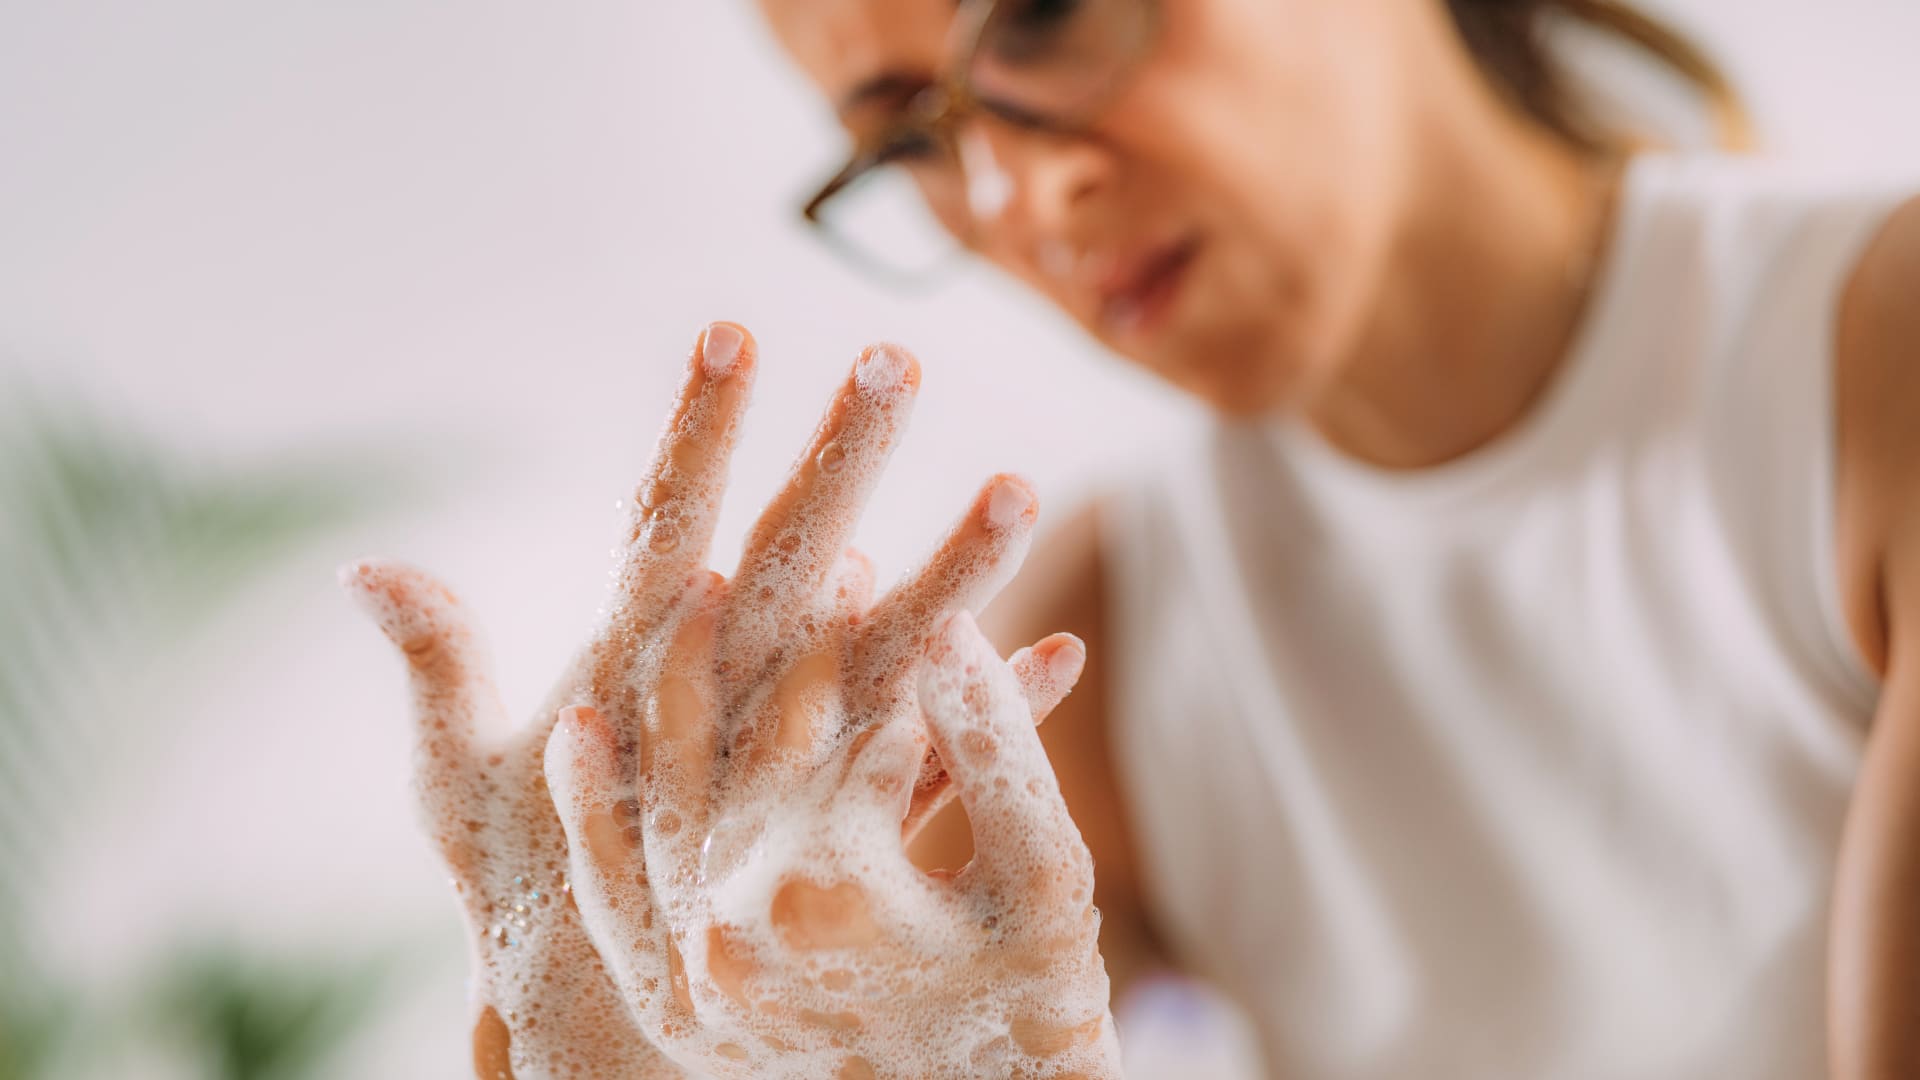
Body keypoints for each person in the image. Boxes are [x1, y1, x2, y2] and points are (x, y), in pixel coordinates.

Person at [346, 0, 1920, 1076]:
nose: (1017, 190)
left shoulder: (1869, 359)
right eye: (911, 142)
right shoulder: (1103, 639)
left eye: (1041, 13)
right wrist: (630, 1018)